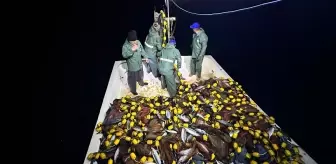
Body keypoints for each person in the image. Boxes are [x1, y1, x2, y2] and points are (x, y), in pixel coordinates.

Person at [122, 30, 149, 95]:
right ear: (129, 40)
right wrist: (132, 50)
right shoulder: (125, 46)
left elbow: (142, 50)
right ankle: (133, 90)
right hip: (132, 67)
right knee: (132, 80)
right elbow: (124, 55)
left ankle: (141, 83)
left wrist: (146, 56)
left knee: (140, 75)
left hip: (139, 64)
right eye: (133, 42)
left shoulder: (138, 42)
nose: (135, 42)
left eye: (135, 41)